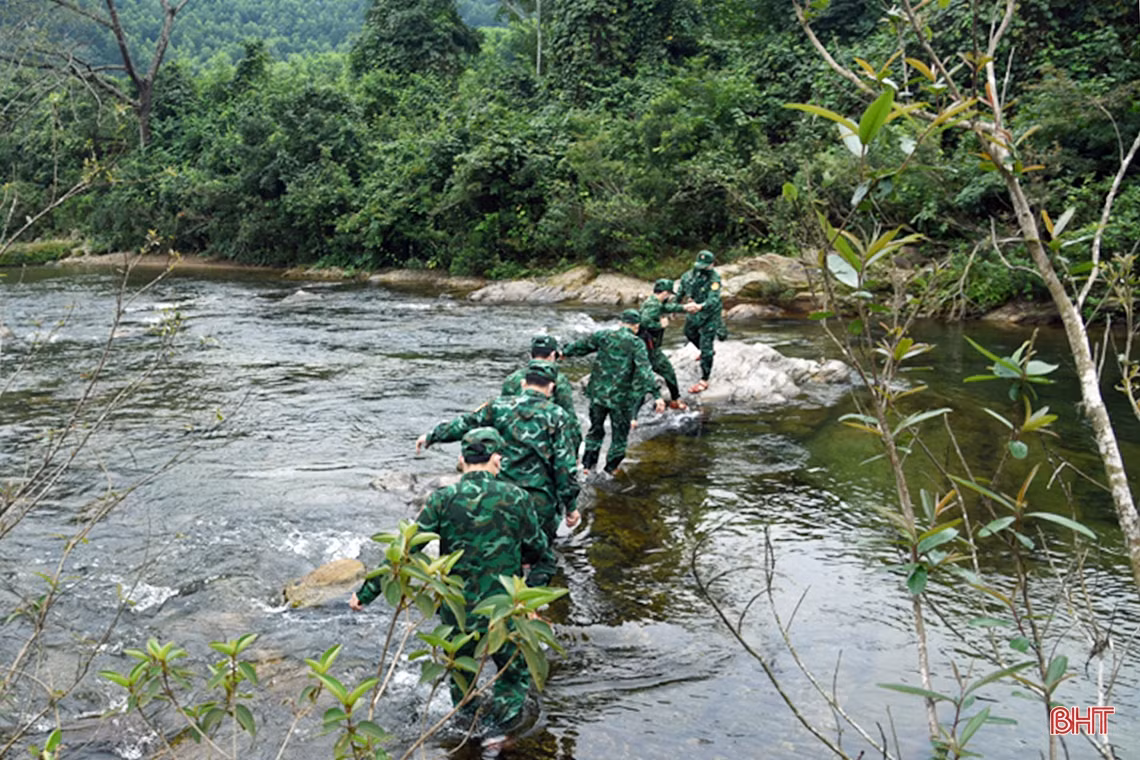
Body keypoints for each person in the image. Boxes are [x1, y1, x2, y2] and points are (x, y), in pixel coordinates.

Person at [350, 427, 556, 748]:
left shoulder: (443, 499)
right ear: (496, 459)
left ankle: (464, 733)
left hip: (457, 611)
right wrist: (531, 598)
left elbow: (406, 552)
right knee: (513, 676)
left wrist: (365, 594)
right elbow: (542, 556)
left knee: (460, 674)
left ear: (462, 460)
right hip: (504, 613)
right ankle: (497, 738)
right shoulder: (517, 498)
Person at [416, 359, 580, 542]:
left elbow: (466, 423)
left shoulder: (499, 406)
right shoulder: (558, 416)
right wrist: (570, 506)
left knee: (501, 545)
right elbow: (564, 465)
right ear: (551, 387)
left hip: (501, 493)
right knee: (539, 552)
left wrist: (433, 436)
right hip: (540, 498)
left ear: (523, 383)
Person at [561, 309, 665, 476]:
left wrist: (564, 353)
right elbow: (645, 371)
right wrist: (657, 395)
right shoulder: (636, 343)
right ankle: (610, 470)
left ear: (621, 322)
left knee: (595, 430)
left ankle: (587, 466)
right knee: (619, 436)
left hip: (598, 396)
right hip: (621, 400)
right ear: (636, 326)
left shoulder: (604, 335)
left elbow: (582, 346)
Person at [501, 335, 582, 459]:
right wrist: (574, 455)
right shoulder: (558, 380)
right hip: (543, 447)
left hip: (513, 447)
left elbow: (502, 414)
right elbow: (569, 420)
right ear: (552, 355)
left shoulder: (512, 379)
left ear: (531, 354)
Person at [676, 249, 726, 394]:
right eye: (700, 265)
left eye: (706, 266)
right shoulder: (688, 276)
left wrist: (700, 306)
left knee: (707, 345)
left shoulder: (714, 279)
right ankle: (706, 351)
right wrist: (675, 307)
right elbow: (681, 292)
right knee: (688, 332)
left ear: (712, 265)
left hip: (710, 313)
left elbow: (714, 298)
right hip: (694, 312)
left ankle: (704, 380)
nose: (703, 269)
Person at [638, 278, 688, 410]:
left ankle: (673, 400)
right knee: (668, 371)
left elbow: (667, 307)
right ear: (665, 292)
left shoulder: (654, 302)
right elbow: (643, 322)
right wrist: (660, 325)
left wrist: (685, 308)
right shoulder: (654, 305)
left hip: (644, 347)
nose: (670, 296)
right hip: (649, 348)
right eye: (670, 294)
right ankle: (675, 399)